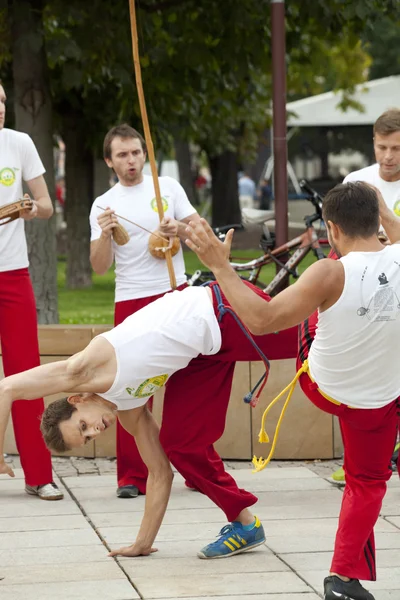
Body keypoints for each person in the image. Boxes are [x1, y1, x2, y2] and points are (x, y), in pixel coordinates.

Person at [184, 182, 400, 600]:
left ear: (332, 230)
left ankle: (343, 581)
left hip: (326, 387)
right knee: (367, 483)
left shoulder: (328, 270)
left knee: (312, 314)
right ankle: (342, 577)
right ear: (378, 223)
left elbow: (262, 320)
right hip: (380, 400)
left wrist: (221, 267)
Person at [0, 279, 297, 558]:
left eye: (83, 425)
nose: (95, 430)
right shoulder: (130, 411)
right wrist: (143, 543)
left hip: (222, 312)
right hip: (205, 355)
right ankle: (246, 525)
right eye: (88, 437)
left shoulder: (85, 368)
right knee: (181, 446)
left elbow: (7, 387)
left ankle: (340, 270)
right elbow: (160, 474)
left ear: (76, 399)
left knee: (315, 335)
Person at [89, 124, 201, 499]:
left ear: (144, 153)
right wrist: (105, 234)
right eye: (122, 155)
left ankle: (195, 467)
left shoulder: (166, 187)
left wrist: (179, 228)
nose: (131, 160)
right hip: (132, 298)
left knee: (189, 385)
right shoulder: (104, 204)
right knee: (129, 388)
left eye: (136, 152)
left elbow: (198, 229)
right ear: (110, 160)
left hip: (175, 291)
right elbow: (99, 266)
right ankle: (131, 475)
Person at [330, 107, 400, 484]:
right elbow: (341, 238)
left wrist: (385, 216)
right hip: (364, 291)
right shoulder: (356, 180)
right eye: (382, 147)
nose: (388, 157)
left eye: (397, 149)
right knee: (361, 375)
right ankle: (355, 459)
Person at [0, 81, 63, 500]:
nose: (0, 109)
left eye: (2, 102)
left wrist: (29, 207)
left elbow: (47, 205)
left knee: (25, 373)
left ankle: (38, 475)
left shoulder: (19, 143)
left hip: (12, 274)